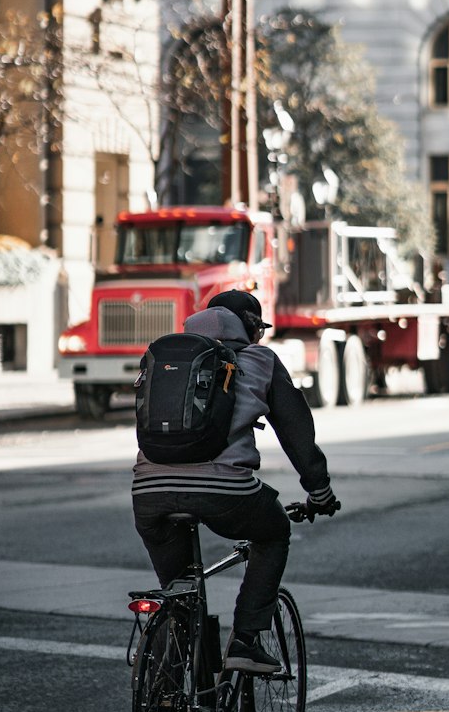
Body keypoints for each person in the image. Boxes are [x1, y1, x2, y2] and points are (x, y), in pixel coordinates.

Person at [132, 289, 341, 676]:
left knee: (177, 592)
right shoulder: (260, 359)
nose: (260, 338)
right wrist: (319, 490)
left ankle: (164, 708)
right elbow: (295, 431)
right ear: (248, 327)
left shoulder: (165, 356)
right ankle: (246, 640)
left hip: (148, 492)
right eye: (258, 329)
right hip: (225, 490)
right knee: (274, 531)